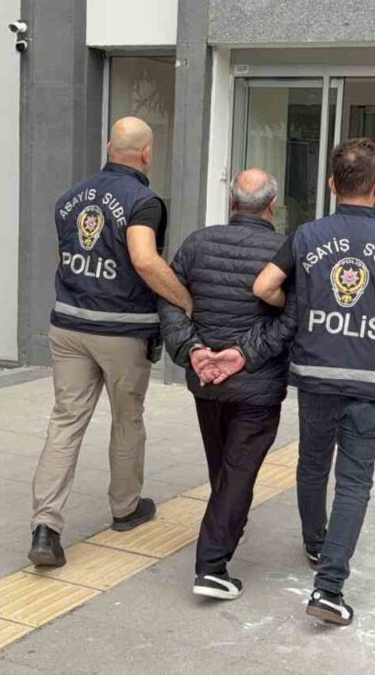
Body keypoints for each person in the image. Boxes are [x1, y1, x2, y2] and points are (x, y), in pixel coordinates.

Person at [253, 138, 375, 627]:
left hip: (317, 373)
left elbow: (264, 286)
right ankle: (329, 588)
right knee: (355, 479)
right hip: (373, 377)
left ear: (332, 184)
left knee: (313, 463)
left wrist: (301, 307)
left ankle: (315, 543)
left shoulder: (308, 236)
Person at [28, 116, 194, 568]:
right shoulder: (144, 202)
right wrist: (186, 301)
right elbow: (144, 259)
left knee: (65, 422)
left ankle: (45, 527)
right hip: (121, 331)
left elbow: (66, 257)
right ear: (147, 154)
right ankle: (125, 508)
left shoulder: (69, 199)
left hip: (68, 324)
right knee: (127, 419)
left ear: (108, 147)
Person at [158, 168, 295, 601]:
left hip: (208, 382)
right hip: (256, 385)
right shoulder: (284, 251)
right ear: (272, 205)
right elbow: (292, 318)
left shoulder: (197, 243)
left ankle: (227, 526)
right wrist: (244, 355)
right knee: (237, 472)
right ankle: (212, 567)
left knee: (225, 467)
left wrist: (194, 351)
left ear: (232, 202)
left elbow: (169, 299)